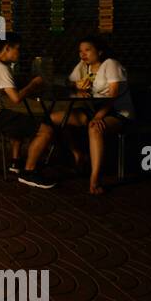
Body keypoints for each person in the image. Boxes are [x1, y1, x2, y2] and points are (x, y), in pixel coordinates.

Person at [0, 33, 55, 189]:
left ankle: (15, 162)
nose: (19, 53)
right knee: (46, 131)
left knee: (18, 120)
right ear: (7, 48)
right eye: (17, 49)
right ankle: (29, 173)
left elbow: (4, 84)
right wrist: (33, 84)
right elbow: (16, 98)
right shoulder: (0, 69)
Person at [51, 36, 134, 195]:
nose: (83, 54)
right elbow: (67, 82)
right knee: (55, 118)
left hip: (117, 112)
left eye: (87, 50)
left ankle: (95, 179)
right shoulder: (84, 66)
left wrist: (98, 117)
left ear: (100, 51)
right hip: (94, 111)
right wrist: (77, 85)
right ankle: (78, 155)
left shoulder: (110, 64)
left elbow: (113, 95)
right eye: (80, 51)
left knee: (94, 128)